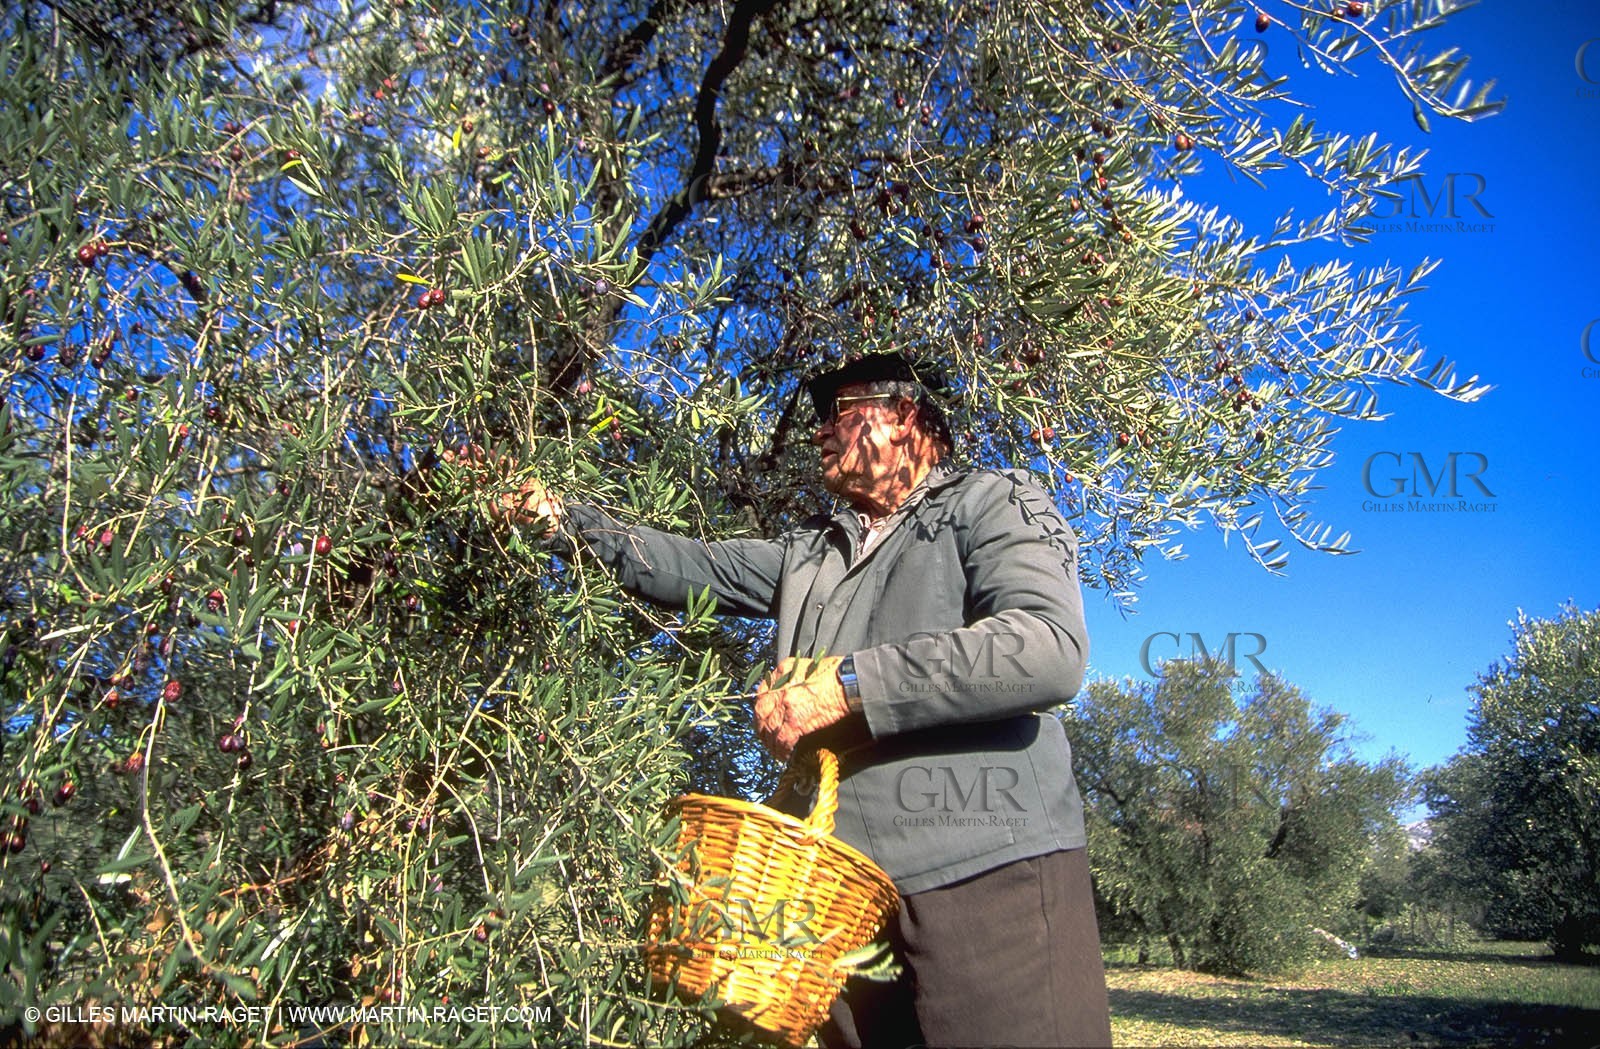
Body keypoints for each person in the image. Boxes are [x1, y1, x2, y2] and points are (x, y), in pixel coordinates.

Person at [467, 352, 1111, 1048]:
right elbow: (685, 563)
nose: (819, 433)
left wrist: (848, 684)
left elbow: (1047, 647)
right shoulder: (811, 552)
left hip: (994, 877)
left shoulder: (993, 501)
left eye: (837, 411)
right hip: (840, 905)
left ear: (903, 416)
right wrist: (558, 520)